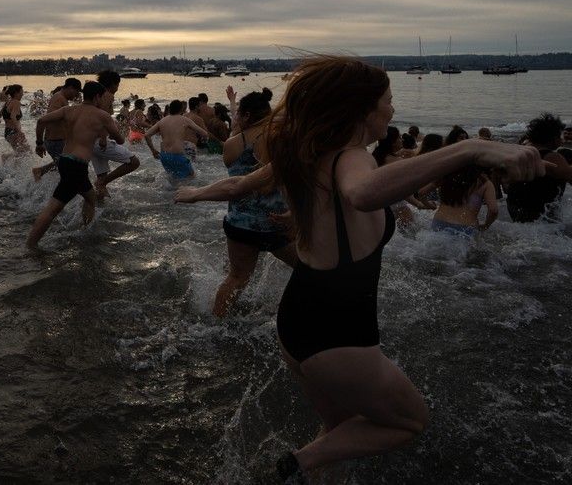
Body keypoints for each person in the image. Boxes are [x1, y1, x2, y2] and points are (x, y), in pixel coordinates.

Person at [193, 56, 543, 481]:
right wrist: (468, 149)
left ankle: (307, 472)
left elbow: (237, 185)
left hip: (298, 321)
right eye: (389, 101)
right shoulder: (352, 158)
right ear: (361, 110)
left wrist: (190, 194)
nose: (393, 110)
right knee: (410, 421)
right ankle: (294, 466)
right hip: (337, 335)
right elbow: (362, 193)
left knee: (339, 434)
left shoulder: (310, 155)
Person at [175, 87, 296, 317]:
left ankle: (214, 325)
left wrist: (233, 102)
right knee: (310, 269)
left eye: (238, 112)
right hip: (278, 222)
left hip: (241, 224)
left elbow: (239, 133)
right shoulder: (282, 138)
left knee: (237, 278)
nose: (236, 115)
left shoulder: (232, 144)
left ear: (246, 116)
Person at [27, 81, 124, 247]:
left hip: (65, 161)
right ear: (97, 96)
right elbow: (120, 139)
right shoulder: (102, 115)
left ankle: (84, 230)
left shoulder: (68, 110)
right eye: (102, 97)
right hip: (76, 166)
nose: (103, 100)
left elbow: (41, 121)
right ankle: (30, 246)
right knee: (53, 209)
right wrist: (108, 132)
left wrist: (39, 142)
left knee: (91, 198)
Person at [506, 113, 572, 222]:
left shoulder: (521, 153)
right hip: (540, 217)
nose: (562, 139)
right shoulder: (552, 157)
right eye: (560, 136)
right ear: (554, 138)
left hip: (516, 210)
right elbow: (569, 175)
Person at [91, 70, 140, 200]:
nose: (118, 88)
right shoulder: (107, 95)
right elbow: (102, 117)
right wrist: (103, 137)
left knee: (101, 181)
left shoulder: (96, 95)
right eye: (118, 85)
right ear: (113, 84)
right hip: (99, 141)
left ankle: (96, 207)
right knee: (134, 162)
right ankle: (103, 182)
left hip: (91, 141)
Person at [144, 100, 209, 181]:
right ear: (181, 109)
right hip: (177, 155)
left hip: (164, 156)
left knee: (173, 178)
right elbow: (204, 133)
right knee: (191, 178)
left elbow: (147, 135)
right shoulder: (185, 120)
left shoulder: (162, 121)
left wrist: (153, 151)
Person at [32, 77, 82, 181]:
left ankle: (45, 185)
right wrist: (39, 143)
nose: (76, 95)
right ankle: (40, 171)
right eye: (76, 92)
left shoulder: (60, 97)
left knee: (63, 168)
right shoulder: (59, 98)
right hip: (56, 141)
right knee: (70, 169)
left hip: (57, 140)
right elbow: (44, 120)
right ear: (70, 88)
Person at [430, 165, 497, 238]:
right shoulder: (485, 183)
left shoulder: (446, 176)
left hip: (439, 222)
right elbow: (493, 210)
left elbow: (421, 193)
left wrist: (426, 205)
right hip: (465, 228)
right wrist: (486, 225)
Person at [0, 84, 29, 161]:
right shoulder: (16, 102)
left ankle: (9, 162)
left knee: (20, 153)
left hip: (7, 132)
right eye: (21, 92)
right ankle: (6, 158)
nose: (23, 94)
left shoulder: (8, 102)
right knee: (27, 152)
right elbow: (13, 116)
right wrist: (19, 131)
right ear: (16, 93)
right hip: (14, 132)